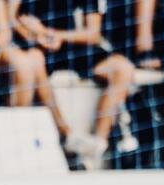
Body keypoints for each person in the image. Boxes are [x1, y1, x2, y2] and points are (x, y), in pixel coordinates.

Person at [11, 0, 138, 168]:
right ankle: (68, 137)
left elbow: (93, 34)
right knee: (34, 59)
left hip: (73, 47)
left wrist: (49, 33)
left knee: (123, 68)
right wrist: (36, 36)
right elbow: (11, 18)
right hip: (36, 47)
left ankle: (98, 145)